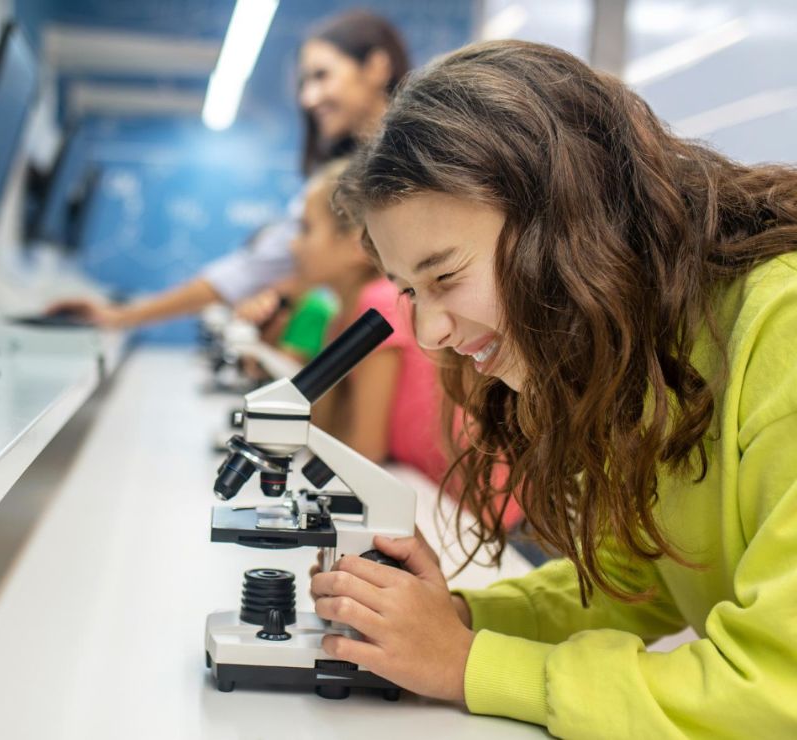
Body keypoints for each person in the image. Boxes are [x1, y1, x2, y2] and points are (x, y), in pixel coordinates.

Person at [314, 39, 797, 736]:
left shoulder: (778, 327)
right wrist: (458, 621)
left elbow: (778, 689)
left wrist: (470, 665)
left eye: (446, 277)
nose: (428, 333)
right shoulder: (647, 344)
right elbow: (631, 584)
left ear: (570, 220)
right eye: (411, 291)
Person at [46, 10, 410, 329]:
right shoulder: (334, 181)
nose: (308, 97)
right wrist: (121, 316)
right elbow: (253, 268)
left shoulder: (418, 166)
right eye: (304, 82)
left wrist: (123, 316)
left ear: (377, 66)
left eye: (322, 76)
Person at [288, 158, 447, 474]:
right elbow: (326, 426)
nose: (294, 245)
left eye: (306, 229)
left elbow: (366, 446)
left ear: (356, 244)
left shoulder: (379, 305)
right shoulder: (338, 314)